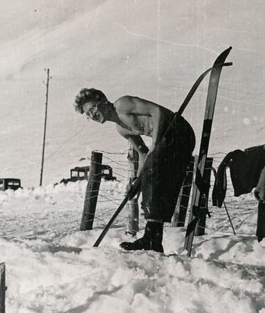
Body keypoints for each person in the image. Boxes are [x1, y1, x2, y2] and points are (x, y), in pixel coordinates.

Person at [74, 88, 195, 252]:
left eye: (92, 109)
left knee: (153, 172)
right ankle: (153, 237)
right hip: (165, 143)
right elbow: (142, 152)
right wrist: (137, 181)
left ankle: (152, 238)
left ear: (103, 101)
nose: (92, 115)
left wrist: (155, 144)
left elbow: (157, 111)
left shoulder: (122, 104)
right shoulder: (121, 129)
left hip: (179, 130)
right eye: (88, 115)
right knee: (148, 180)